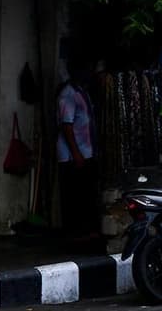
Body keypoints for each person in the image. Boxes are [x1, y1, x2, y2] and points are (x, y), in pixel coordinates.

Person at [56, 56, 102, 243]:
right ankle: (75, 233)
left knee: (85, 194)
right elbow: (66, 126)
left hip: (86, 152)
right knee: (75, 195)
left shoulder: (81, 92)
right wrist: (76, 154)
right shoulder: (67, 95)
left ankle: (85, 231)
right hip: (74, 156)